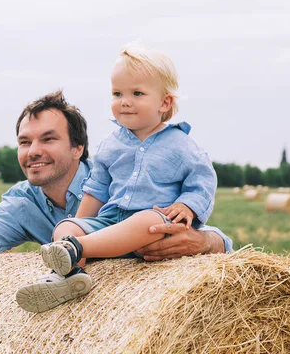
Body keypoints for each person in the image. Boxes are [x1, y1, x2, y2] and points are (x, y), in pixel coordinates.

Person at [0, 91, 231, 279]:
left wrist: (205, 240)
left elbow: (213, 234)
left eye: (48, 139)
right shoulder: (23, 203)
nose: (33, 151)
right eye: (25, 142)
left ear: (78, 148)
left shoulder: (117, 178)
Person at [16, 45, 221, 313]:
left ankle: (75, 250)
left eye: (137, 93)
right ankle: (66, 275)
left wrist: (189, 206)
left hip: (154, 227)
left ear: (164, 103)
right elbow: (96, 190)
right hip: (111, 224)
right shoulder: (110, 146)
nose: (125, 101)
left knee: (147, 219)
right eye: (117, 93)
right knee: (64, 228)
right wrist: (77, 223)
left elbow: (202, 181)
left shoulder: (183, 146)